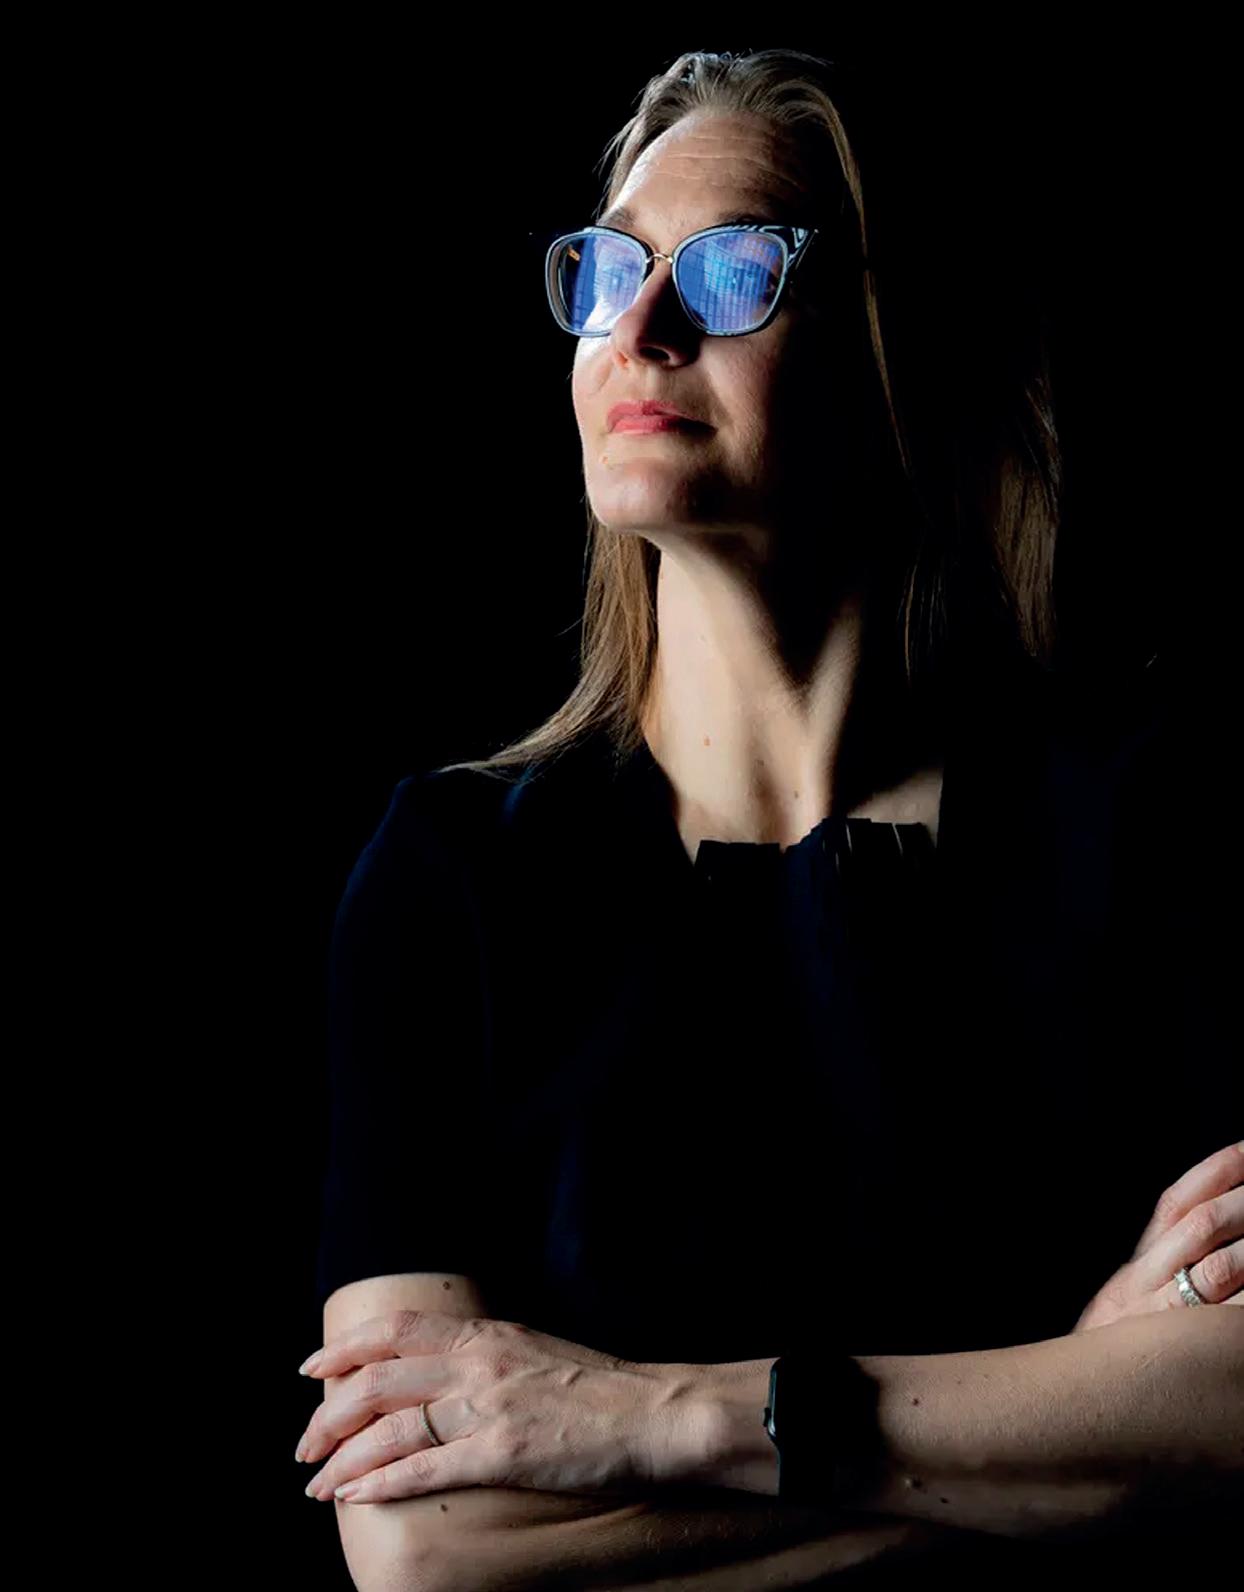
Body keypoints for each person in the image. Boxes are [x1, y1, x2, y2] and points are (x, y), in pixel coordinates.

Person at [306, 49, 1241, 1590]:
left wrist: (650, 1422)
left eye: (736, 269)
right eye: (611, 269)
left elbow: (1234, 1403)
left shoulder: (1146, 826)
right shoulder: (449, 881)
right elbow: (420, 1543)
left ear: (896, 347)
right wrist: (1085, 1444)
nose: (641, 329)